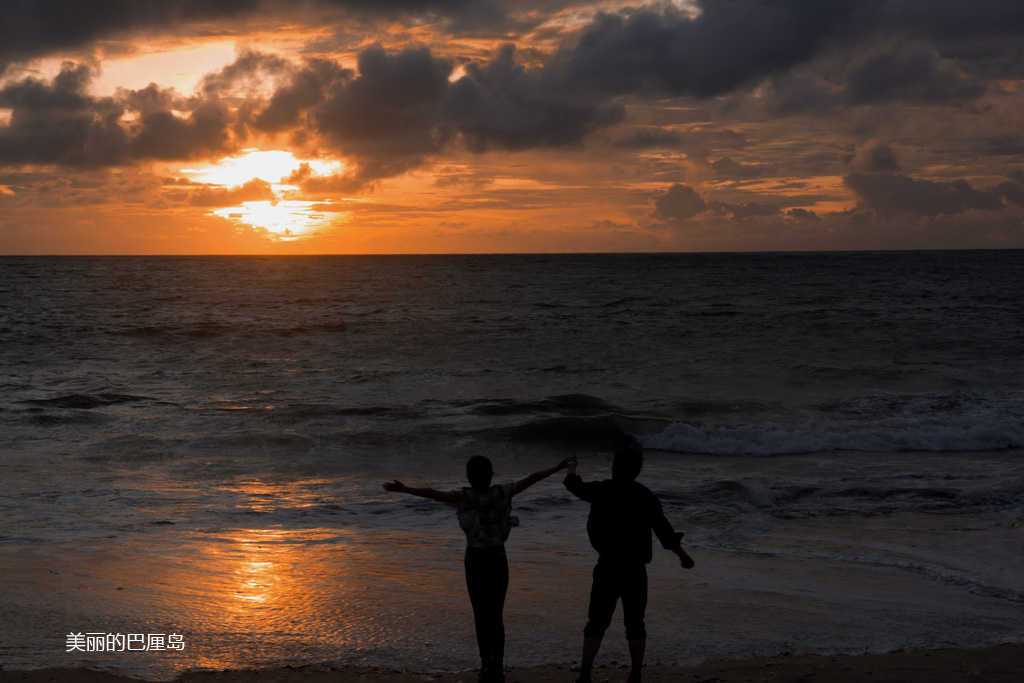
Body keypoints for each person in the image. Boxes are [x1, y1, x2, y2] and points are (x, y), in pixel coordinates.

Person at [383, 455, 570, 683]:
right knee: (496, 615)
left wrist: (405, 489)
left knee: (481, 615)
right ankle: (498, 668)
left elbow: (432, 493)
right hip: (498, 559)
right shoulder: (501, 493)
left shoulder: (464, 497)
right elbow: (532, 479)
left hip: (475, 560)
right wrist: (558, 467)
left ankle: (486, 666)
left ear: (468, 478)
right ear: (491, 475)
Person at [563, 446, 694, 683]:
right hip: (635, 569)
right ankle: (635, 674)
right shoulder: (645, 496)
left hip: (608, 565)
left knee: (596, 621)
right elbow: (664, 532)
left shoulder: (602, 489)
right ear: (638, 471)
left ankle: (585, 673)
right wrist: (682, 555)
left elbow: (573, 485)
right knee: (635, 622)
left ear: (614, 469)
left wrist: (572, 465)